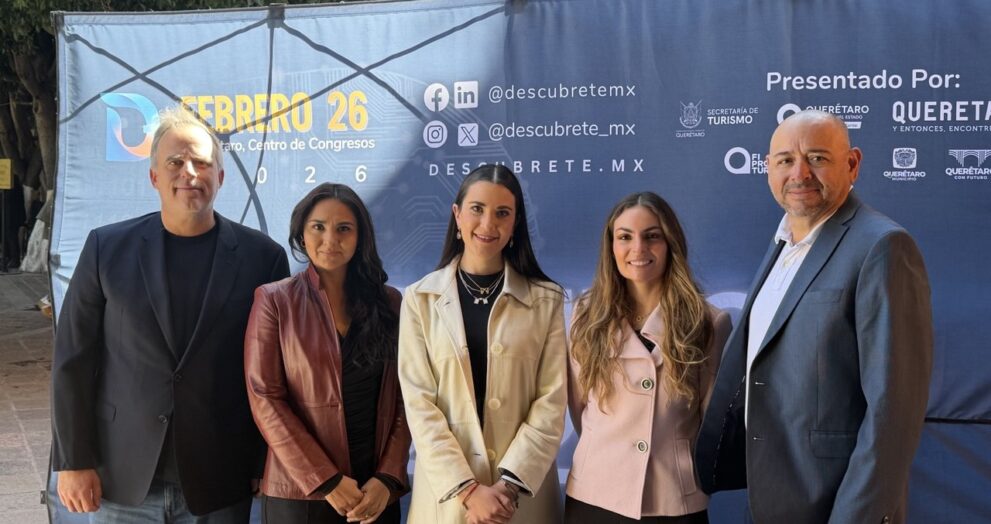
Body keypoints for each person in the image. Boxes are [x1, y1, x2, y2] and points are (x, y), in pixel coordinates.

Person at [51, 105, 290, 521]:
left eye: (202, 162)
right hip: (121, 476)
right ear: (154, 177)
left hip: (221, 479)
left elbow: (274, 373)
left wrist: (261, 462)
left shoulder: (263, 258)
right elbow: (73, 360)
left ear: (220, 176)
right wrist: (72, 461)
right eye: (175, 162)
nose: (189, 173)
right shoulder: (106, 249)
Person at [695, 110, 933, 524]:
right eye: (785, 160)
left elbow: (893, 415)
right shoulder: (783, 243)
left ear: (852, 164)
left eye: (817, 158)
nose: (799, 173)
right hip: (771, 496)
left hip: (835, 505)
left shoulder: (882, 246)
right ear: (768, 168)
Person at [398, 164, 567, 524]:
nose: (488, 224)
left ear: (515, 223)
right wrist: (469, 491)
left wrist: (507, 488)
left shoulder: (546, 300)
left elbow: (551, 402)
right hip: (447, 501)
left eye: (502, 213)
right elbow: (419, 405)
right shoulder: (420, 299)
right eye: (477, 209)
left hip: (520, 501)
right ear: (457, 215)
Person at [244, 183, 410, 524]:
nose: (330, 240)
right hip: (300, 494)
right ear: (302, 235)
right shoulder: (275, 300)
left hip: (374, 494)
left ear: (360, 237)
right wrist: (326, 479)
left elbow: (406, 398)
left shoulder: (390, 302)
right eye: (318, 227)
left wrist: (388, 477)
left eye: (344, 228)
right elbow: (265, 398)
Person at [564, 192, 732, 524]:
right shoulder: (585, 314)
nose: (638, 248)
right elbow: (579, 407)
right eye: (625, 237)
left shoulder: (709, 323)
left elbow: (709, 421)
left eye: (652, 236)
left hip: (674, 499)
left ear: (670, 244)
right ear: (611, 247)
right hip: (594, 495)